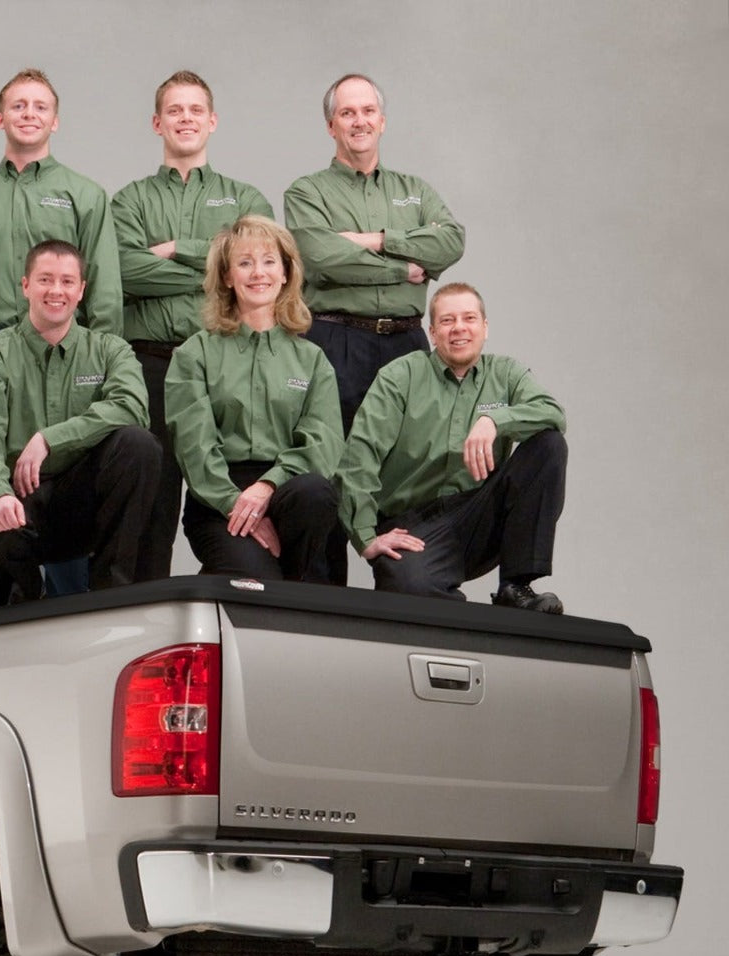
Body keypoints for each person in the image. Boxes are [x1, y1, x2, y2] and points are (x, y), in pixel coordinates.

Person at [0, 68, 124, 614]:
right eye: (18, 106)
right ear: (0, 118)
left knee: (60, 474)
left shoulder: (84, 195)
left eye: (40, 106)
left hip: (63, 348)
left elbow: (103, 286)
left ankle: (70, 608)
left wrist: (100, 357)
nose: (28, 114)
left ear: (55, 120)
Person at [284, 73, 464, 584]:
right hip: (334, 340)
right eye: (347, 113)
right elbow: (321, 257)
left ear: (382, 121)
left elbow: (451, 241)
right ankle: (325, 603)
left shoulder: (415, 190)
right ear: (331, 126)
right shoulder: (307, 192)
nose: (358, 121)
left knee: (406, 467)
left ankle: (409, 588)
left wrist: (374, 239)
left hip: (408, 342)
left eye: (367, 111)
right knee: (330, 466)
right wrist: (404, 266)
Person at [111, 70, 274, 581]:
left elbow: (259, 266)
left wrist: (176, 249)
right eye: (175, 110)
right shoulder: (129, 200)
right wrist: (221, 268)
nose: (186, 119)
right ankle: (144, 609)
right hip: (149, 364)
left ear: (213, 121)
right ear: (157, 123)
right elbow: (122, 270)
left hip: (224, 364)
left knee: (228, 488)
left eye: (195, 110)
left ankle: (235, 596)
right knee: (150, 500)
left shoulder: (246, 198)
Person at [338, 283, 568, 612]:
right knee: (407, 588)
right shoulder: (400, 377)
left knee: (549, 444)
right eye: (447, 321)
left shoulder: (506, 374)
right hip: (413, 525)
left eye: (469, 318)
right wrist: (365, 537)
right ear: (432, 333)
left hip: (480, 514)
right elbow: (359, 456)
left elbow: (553, 413)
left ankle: (515, 586)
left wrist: (494, 421)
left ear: (485, 328)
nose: (459, 328)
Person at [0, 241, 160, 600]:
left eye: (67, 281)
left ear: (81, 290)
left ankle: (111, 597)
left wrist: (50, 440)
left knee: (139, 445)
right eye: (45, 279)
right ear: (25, 286)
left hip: (77, 505)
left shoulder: (111, 350)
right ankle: (23, 594)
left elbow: (132, 407)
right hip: (16, 501)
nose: (56, 291)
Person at [165, 216, 341, 581]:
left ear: (285, 273)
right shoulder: (194, 354)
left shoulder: (312, 359)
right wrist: (236, 503)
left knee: (316, 491)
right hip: (218, 499)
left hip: (287, 488)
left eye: (269, 261)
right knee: (259, 583)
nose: (258, 273)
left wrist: (268, 486)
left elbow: (323, 443)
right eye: (245, 263)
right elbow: (194, 447)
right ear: (228, 277)